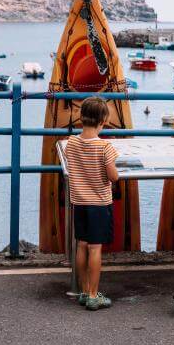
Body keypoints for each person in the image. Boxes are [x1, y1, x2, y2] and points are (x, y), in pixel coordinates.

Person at [63, 96, 119, 310]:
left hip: (79, 202)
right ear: (103, 119)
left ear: (81, 116)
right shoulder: (105, 147)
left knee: (82, 245)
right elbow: (113, 176)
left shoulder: (71, 143)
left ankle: (85, 291)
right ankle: (95, 296)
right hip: (99, 204)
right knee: (95, 248)